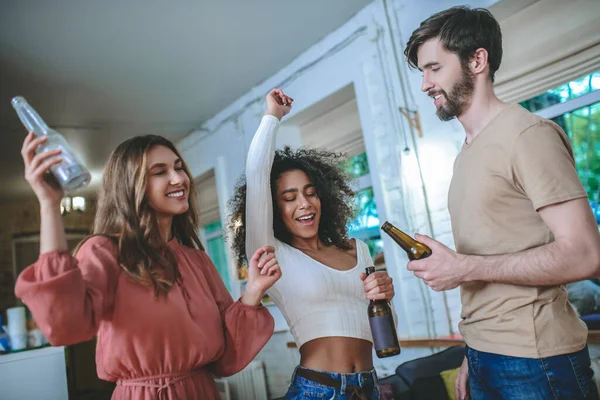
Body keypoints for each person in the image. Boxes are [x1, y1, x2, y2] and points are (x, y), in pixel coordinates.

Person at [403, 6, 600, 400]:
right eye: (422, 72)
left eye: (434, 68)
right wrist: (471, 354)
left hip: (537, 361)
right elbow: (491, 272)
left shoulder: (528, 135)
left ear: (477, 60)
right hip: (485, 355)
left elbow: (585, 255)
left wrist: (463, 268)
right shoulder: (467, 154)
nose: (425, 84)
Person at [15, 132, 281, 399]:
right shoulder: (104, 252)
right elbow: (66, 327)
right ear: (131, 186)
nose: (179, 179)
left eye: (178, 167)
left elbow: (225, 360)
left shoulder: (197, 260)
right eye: (159, 172)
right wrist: (49, 204)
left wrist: (254, 289)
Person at [228, 88, 396, 400]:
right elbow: (256, 173)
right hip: (318, 390)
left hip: (369, 388)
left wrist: (385, 297)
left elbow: (381, 330)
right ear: (275, 210)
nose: (304, 204)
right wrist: (272, 117)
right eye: (289, 198)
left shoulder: (358, 249)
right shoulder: (272, 255)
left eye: (310, 192)